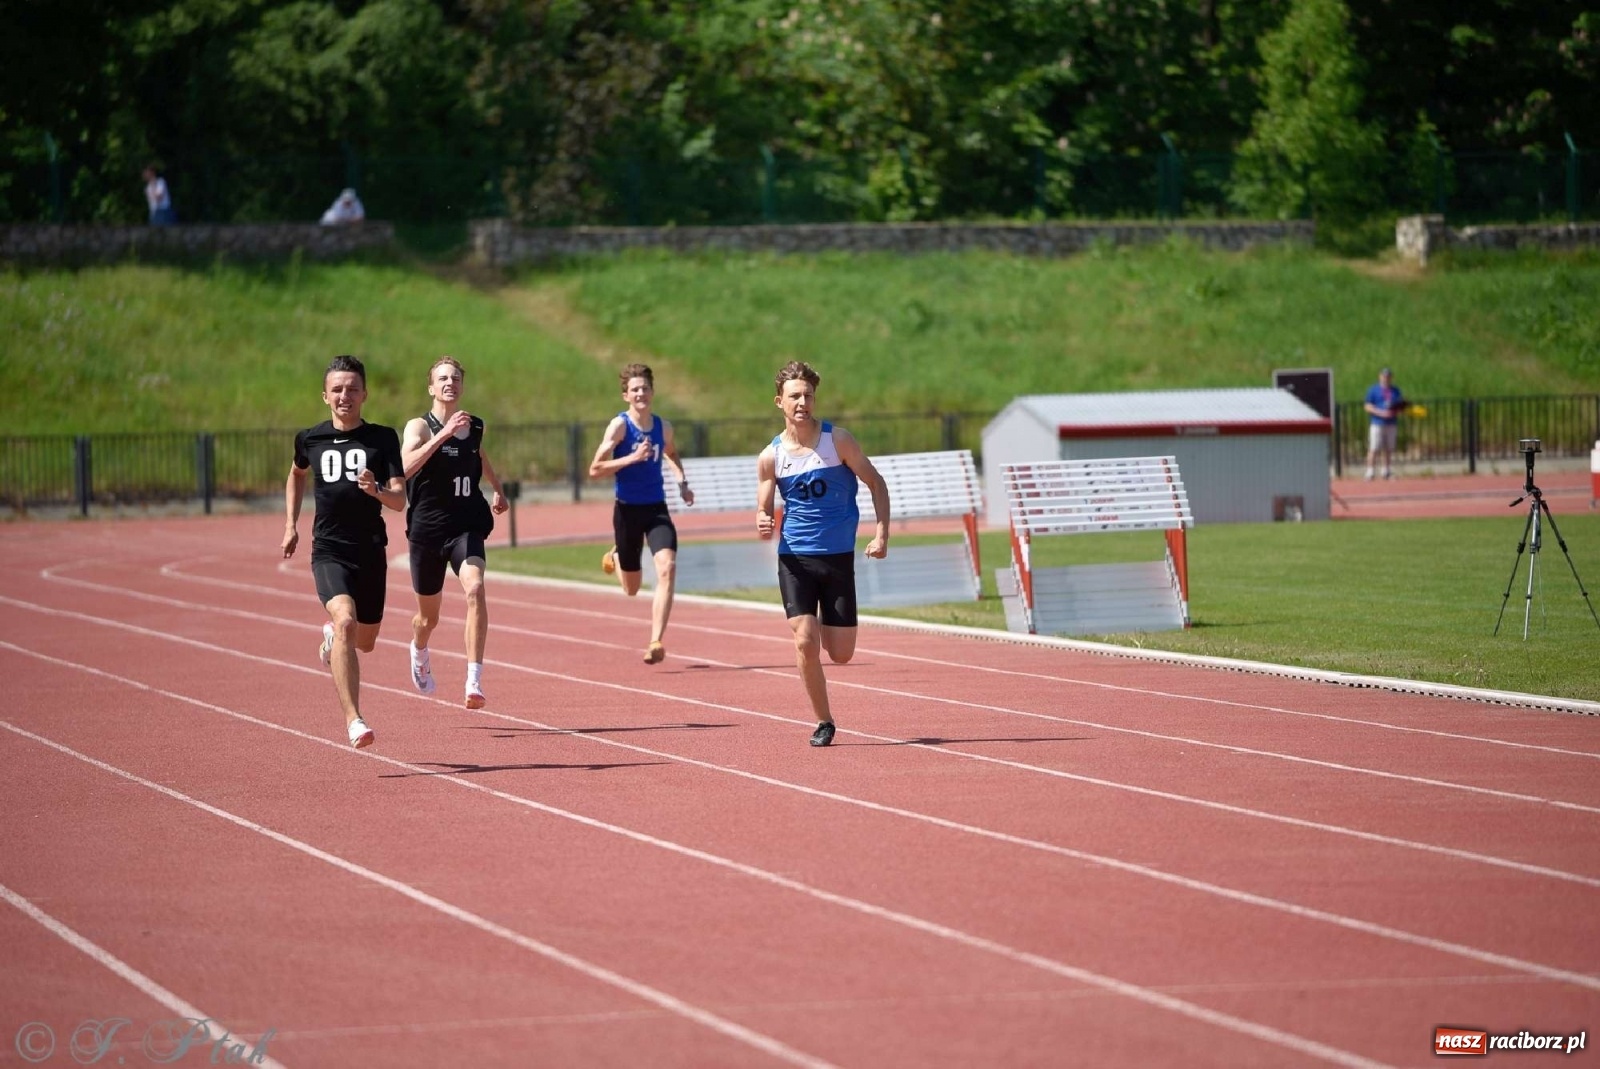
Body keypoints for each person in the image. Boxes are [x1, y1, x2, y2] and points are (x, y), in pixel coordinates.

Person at [755, 361, 890, 747]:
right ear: (779, 401)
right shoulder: (771, 456)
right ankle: (824, 720)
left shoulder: (838, 441)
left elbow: (876, 483)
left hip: (837, 559)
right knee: (804, 639)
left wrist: (882, 533)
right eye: (794, 396)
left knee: (842, 653)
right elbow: (763, 507)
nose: (802, 402)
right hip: (795, 558)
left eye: (808, 395)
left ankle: (828, 643)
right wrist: (763, 520)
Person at [282, 355, 406, 749]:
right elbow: (296, 474)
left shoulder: (383, 439)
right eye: (337, 389)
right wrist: (291, 525)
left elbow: (400, 500)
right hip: (329, 550)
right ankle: (354, 720)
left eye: (352, 388)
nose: (344, 396)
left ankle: (331, 643)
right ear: (325, 396)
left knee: (364, 642)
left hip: (370, 551)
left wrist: (377, 491)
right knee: (346, 623)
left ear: (365, 394)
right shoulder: (309, 438)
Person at [400, 356, 510, 709]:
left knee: (475, 588)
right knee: (427, 618)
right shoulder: (419, 427)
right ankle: (419, 649)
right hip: (427, 530)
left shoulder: (474, 425)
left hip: (465, 524)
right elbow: (404, 468)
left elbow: (479, 455)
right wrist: (443, 435)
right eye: (443, 378)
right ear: (431, 387)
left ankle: (473, 679)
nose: (450, 383)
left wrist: (497, 487)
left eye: (456, 378)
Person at [587, 363, 694, 664]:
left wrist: (682, 483)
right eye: (634, 389)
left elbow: (671, 454)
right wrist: (632, 457)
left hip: (656, 508)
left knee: (667, 567)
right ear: (626, 396)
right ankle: (619, 556)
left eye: (644, 388)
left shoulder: (663, 427)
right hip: (627, 511)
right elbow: (595, 469)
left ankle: (656, 640)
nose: (640, 393)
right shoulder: (619, 426)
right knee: (631, 589)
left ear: (652, 392)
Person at [1364, 366, 1406, 480]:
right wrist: (1381, 413)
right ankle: (1370, 471)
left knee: (1388, 448)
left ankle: (1386, 470)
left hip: (1391, 422)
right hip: (1377, 422)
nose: (1386, 378)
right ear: (1380, 377)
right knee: (1374, 447)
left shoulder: (1395, 391)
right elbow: (1367, 406)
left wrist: (1397, 410)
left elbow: (1400, 404)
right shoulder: (1373, 390)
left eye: (1388, 376)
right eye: (1384, 376)